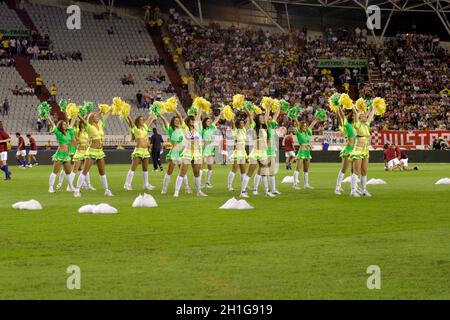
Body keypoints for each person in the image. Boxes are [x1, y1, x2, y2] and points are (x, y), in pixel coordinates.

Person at [74, 110, 113, 197]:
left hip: (100, 151)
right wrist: (76, 112)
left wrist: (111, 108)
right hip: (92, 151)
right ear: (91, 118)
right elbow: (81, 119)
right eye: (95, 116)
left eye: (97, 116)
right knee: (85, 171)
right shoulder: (88, 126)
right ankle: (77, 190)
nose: (98, 117)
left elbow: (106, 115)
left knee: (102, 172)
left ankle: (107, 190)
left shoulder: (100, 124)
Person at [173, 107, 207, 197]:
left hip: (196, 153)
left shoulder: (197, 129)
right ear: (188, 121)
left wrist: (201, 107)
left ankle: (199, 191)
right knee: (182, 172)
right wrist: (175, 109)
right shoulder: (185, 129)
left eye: (193, 120)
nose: (193, 121)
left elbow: (199, 116)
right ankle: (176, 192)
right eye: (191, 120)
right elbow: (180, 117)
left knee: (197, 173)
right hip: (187, 152)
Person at [240, 110, 273, 198]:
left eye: (263, 117)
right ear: (257, 120)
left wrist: (268, 107)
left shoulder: (265, 128)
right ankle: (242, 191)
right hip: (255, 152)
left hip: (263, 153)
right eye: (261, 118)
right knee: (250, 172)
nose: (263, 119)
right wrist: (246, 108)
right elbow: (250, 116)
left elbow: (267, 115)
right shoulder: (255, 126)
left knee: (263, 172)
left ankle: (267, 191)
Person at [159, 109, 192, 195]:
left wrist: (174, 109)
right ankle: (164, 188)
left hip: (182, 152)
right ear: (172, 122)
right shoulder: (170, 129)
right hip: (174, 152)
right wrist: (160, 115)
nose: (177, 121)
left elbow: (181, 117)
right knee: (170, 171)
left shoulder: (182, 128)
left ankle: (187, 187)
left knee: (183, 171)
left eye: (178, 120)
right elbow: (165, 121)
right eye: (175, 120)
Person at [123, 114, 156, 191]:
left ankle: (146, 184)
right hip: (138, 150)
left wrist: (154, 113)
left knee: (145, 169)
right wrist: (127, 115)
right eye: (141, 119)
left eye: (143, 119)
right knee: (133, 168)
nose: (143, 120)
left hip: (145, 151)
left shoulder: (144, 128)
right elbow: (130, 122)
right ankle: (127, 184)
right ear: (137, 121)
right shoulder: (135, 128)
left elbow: (150, 119)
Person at [349, 107, 376, 197]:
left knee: (364, 171)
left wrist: (374, 108)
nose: (365, 116)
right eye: (363, 116)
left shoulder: (366, 125)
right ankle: (353, 191)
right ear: (360, 118)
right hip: (358, 149)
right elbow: (357, 116)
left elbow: (370, 115)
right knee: (356, 171)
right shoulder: (358, 125)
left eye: (365, 116)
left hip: (365, 150)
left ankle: (364, 190)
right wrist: (354, 109)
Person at [47, 117, 76, 193]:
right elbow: (53, 125)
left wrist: (75, 115)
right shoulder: (58, 133)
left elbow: (72, 122)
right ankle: (50, 188)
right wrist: (48, 117)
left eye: (66, 124)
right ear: (60, 126)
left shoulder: (69, 132)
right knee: (55, 172)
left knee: (68, 172)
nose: (65, 125)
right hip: (60, 154)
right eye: (64, 124)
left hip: (66, 155)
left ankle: (71, 187)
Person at [227, 110, 251, 192]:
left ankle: (245, 185)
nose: (243, 124)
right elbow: (232, 122)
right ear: (238, 124)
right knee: (234, 169)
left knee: (243, 170)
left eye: (243, 123)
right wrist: (231, 115)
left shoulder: (244, 130)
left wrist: (248, 110)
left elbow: (249, 119)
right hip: (237, 151)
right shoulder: (235, 130)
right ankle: (229, 185)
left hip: (243, 152)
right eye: (241, 123)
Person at [293, 117, 320, 190]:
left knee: (306, 169)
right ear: (301, 127)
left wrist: (317, 118)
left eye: (306, 126)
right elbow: (297, 125)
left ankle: (306, 184)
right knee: (298, 168)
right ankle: (295, 184)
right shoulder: (299, 133)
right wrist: (295, 118)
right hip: (301, 152)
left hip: (307, 152)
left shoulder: (307, 132)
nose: (305, 127)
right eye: (303, 126)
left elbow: (312, 124)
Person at [334, 107, 356, 195]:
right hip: (348, 149)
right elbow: (342, 117)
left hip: (355, 150)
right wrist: (338, 108)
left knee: (353, 170)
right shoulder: (347, 124)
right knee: (344, 169)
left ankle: (354, 188)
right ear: (351, 117)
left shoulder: (356, 126)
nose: (355, 117)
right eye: (354, 115)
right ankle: (337, 187)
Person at [71, 120, 95, 191]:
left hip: (86, 152)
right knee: (75, 169)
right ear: (80, 124)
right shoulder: (77, 131)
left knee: (86, 169)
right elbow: (76, 141)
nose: (84, 125)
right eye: (82, 124)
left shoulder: (86, 132)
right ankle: (70, 186)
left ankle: (88, 185)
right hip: (79, 152)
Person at [201, 111, 222, 188]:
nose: (209, 122)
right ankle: (199, 183)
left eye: (210, 121)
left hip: (211, 149)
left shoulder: (212, 127)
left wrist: (220, 114)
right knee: (201, 167)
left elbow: (216, 120)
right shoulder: (202, 129)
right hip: (204, 149)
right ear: (204, 122)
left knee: (210, 166)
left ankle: (207, 182)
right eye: (207, 121)